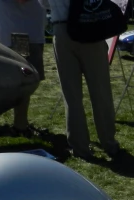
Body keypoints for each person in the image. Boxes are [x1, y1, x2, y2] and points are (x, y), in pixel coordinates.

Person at [46, 0, 120, 160]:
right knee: (100, 90)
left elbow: (44, 4)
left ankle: (79, 146)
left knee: (71, 95)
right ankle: (108, 142)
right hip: (89, 26)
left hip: (61, 29)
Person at [0, 0, 47, 136]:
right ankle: (20, 125)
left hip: (26, 36)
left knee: (27, 81)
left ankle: (22, 122)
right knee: (24, 81)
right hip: (19, 37)